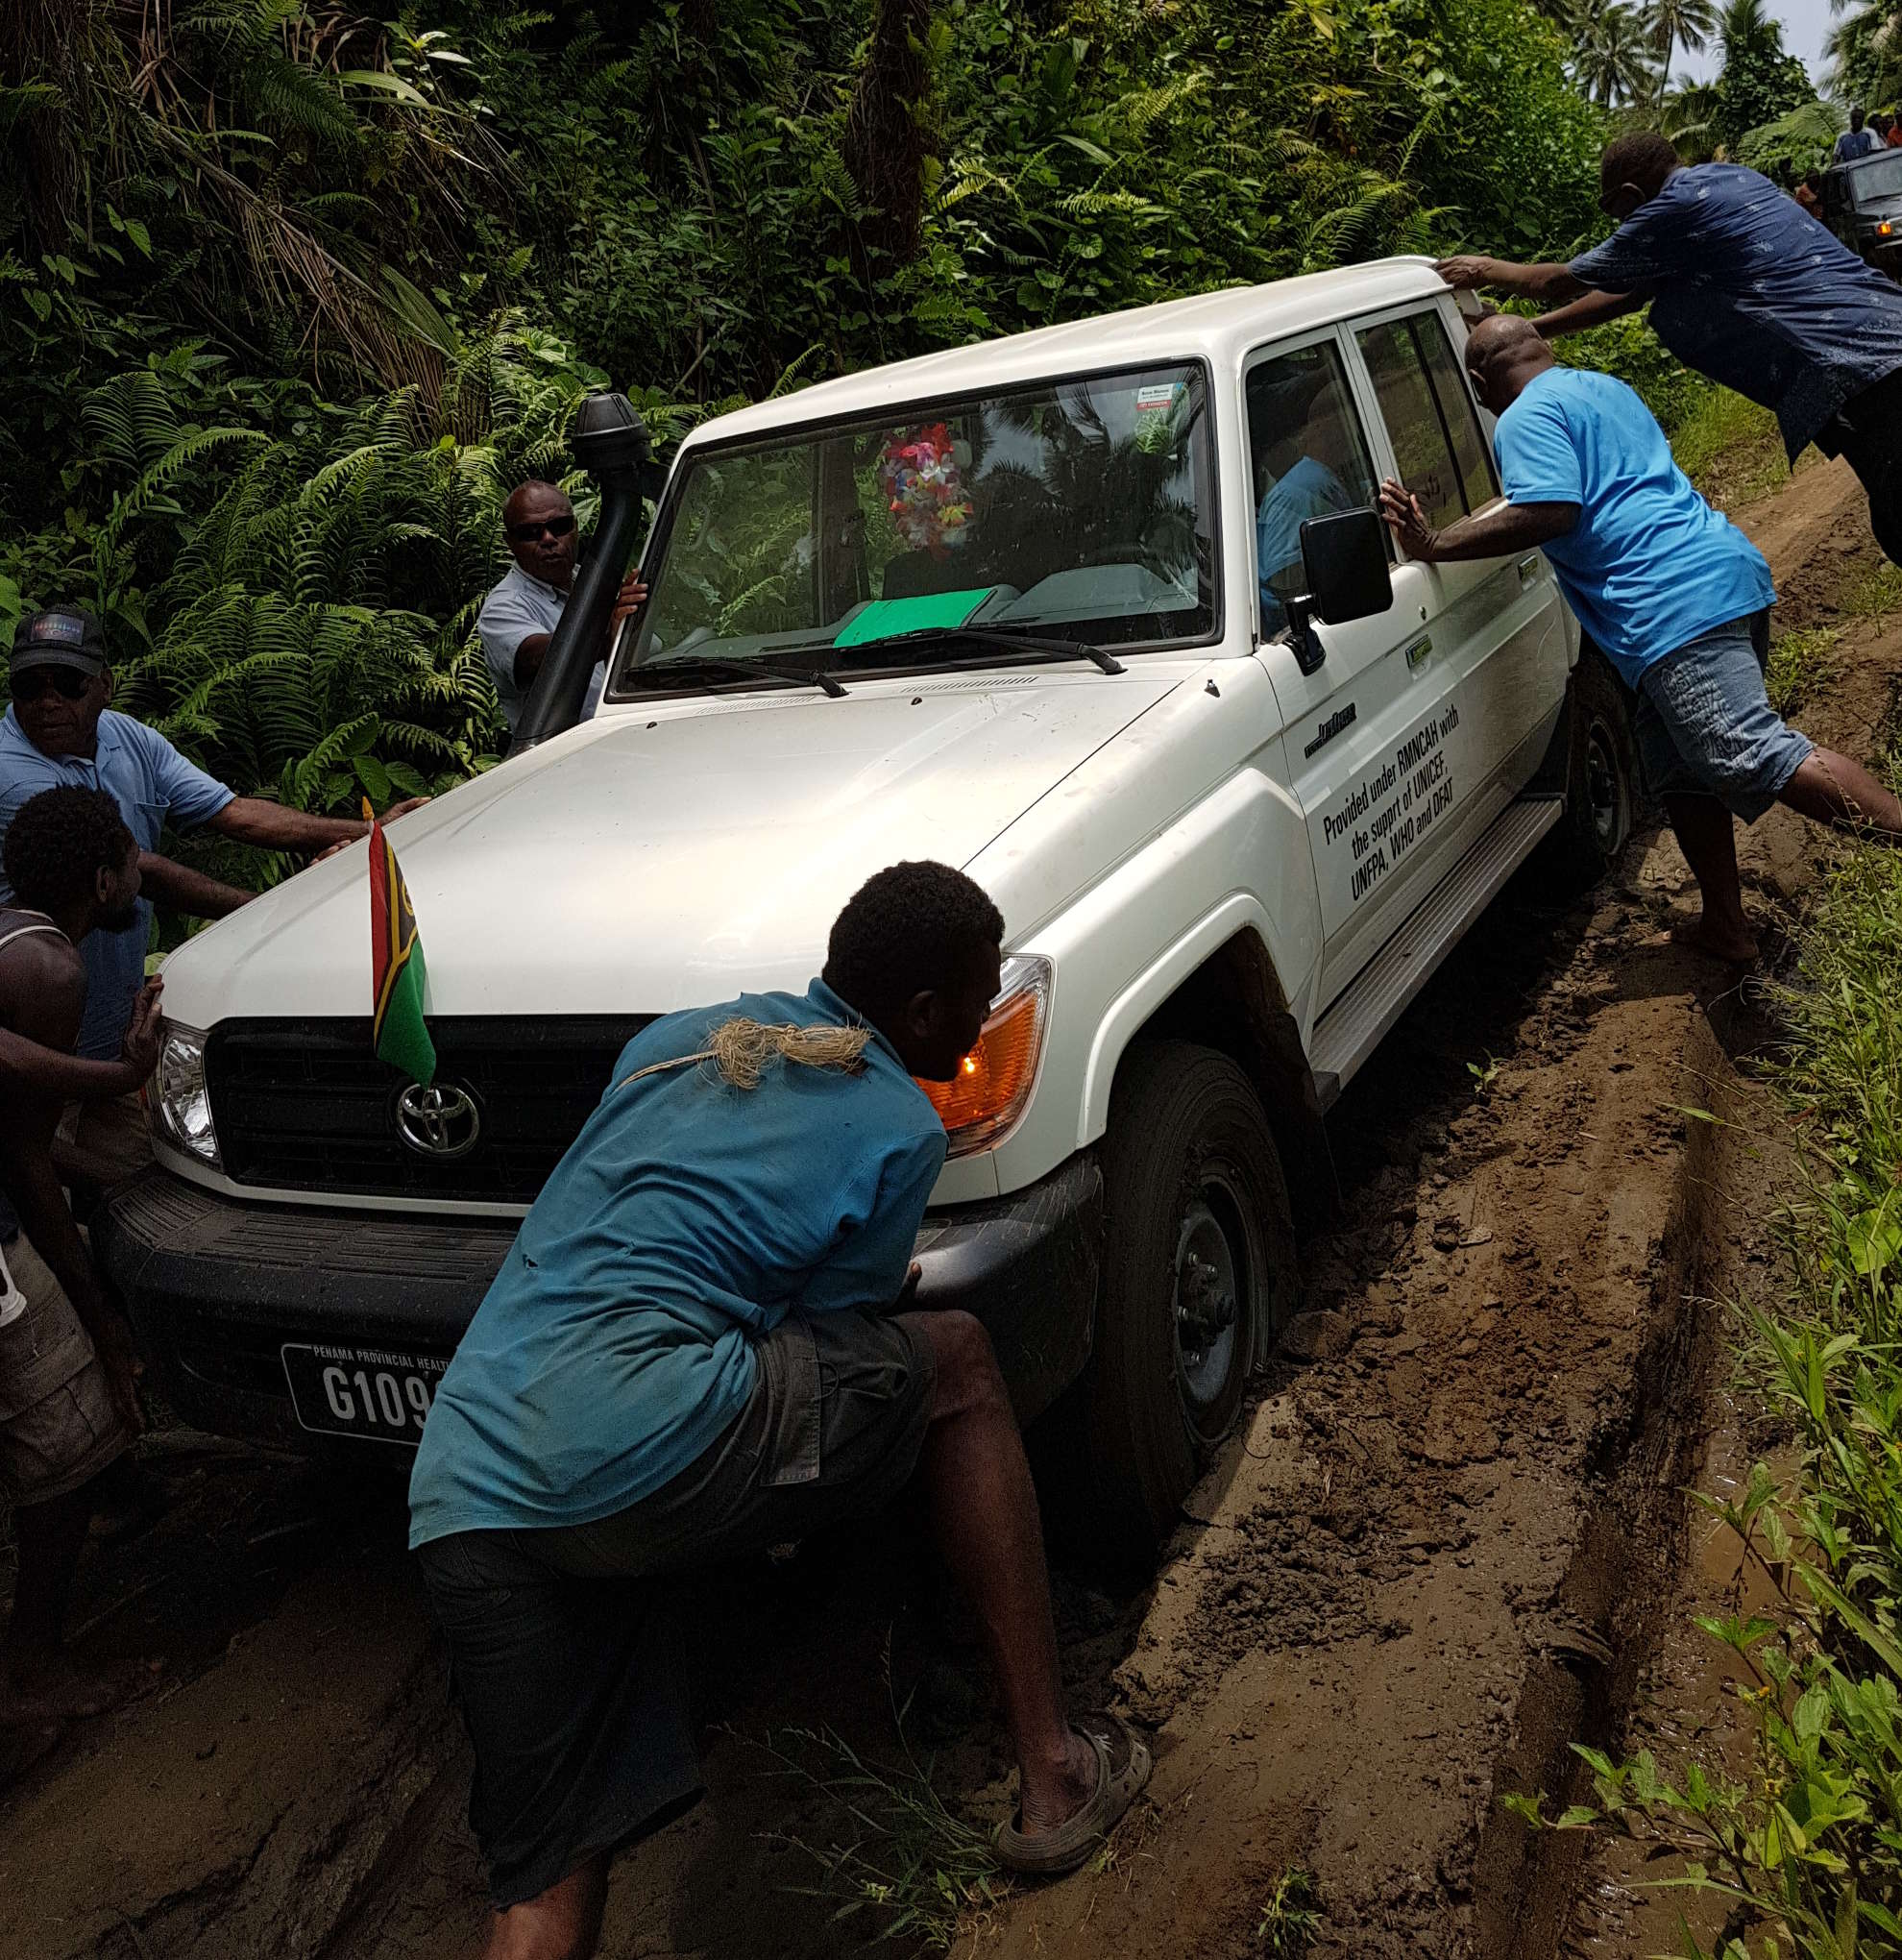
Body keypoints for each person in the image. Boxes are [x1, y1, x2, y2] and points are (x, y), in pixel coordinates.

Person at [408, 861, 1149, 1959]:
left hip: (465, 1482)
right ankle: (1054, 1770)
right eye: (980, 996)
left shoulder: (676, 1037)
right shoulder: (898, 1120)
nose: (986, 1016)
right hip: (645, 1441)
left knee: (545, 1876)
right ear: (923, 1013)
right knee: (956, 1363)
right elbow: (831, 1337)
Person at [1378, 316, 1902, 966]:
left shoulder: (1520, 419)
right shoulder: (1602, 387)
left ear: (1481, 381)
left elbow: (1552, 509)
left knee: (1747, 750)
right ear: (1544, 351)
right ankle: (1725, 926)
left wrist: (1432, 546)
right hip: (1716, 571)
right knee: (1678, 767)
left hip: (1670, 604)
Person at [0, 606, 424, 1205]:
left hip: (111, 1032)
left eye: (66, 684)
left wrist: (368, 833)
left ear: (104, 685)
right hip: (36, 1038)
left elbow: (232, 812)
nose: (46, 702)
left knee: (146, 1196)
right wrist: (278, 911)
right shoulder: (11, 772)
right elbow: (144, 872)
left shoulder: (128, 739)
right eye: (28, 686)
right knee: (42, 1188)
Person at [1434, 133, 1902, 567]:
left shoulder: (1670, 210)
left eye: (1617, 214)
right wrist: (1520, 334)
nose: (1621, 226)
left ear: (1633, 196)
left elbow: (1554, 282)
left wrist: (1484, 268)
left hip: (1857, 369)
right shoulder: (1733, 178)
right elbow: (1633, 293)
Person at [0, 787, 164, 1748]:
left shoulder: (12, 932)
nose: (141, 870)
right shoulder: (53, 968)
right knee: (70, 1433)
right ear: (102, 880)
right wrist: (99, 1314)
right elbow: (23, 1163)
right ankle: (30, 1669)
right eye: (132, 857)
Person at [476, 482, 648, 738]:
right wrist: (610, 632)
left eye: (559, 527)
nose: (548, 539)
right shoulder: (503, 608)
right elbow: (539, 660)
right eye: (531, 532)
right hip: (561, 755)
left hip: (628, 732)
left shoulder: (590, 582)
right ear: (510, 542)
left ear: (575, 528)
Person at [1256, 380, 1362, 631]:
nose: (1356, 432)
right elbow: (1286, 590)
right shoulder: (1299, 492)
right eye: (1347, 423)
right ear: (1321, 429)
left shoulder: (1334, 476)